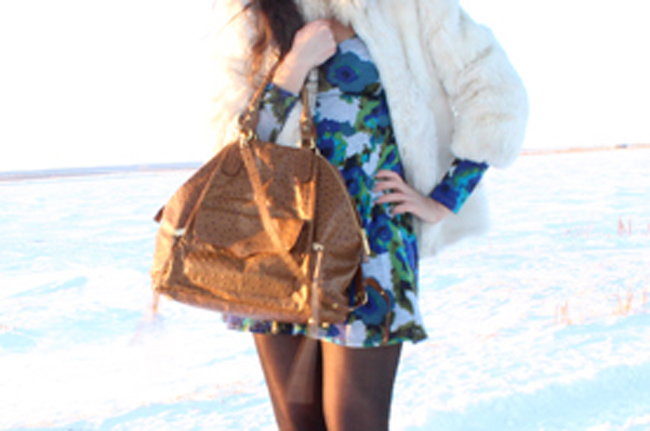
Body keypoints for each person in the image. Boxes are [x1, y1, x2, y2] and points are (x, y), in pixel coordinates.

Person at [208, 0, 528, 430]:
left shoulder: (410, 6)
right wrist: (294, 66)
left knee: (355, 420)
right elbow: (232, 144)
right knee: (298, 424)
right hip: (275, 243)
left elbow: (495, 93)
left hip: (372, 242)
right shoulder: (254, 11)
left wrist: (445, 198)